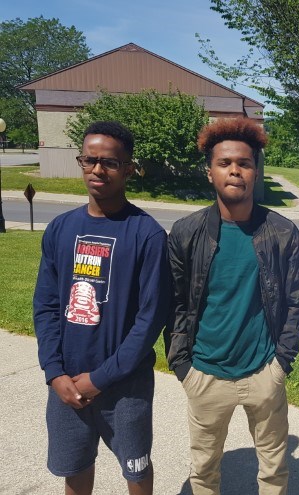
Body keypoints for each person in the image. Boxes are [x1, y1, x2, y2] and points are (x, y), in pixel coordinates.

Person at [166, 117, 299, 495]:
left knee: (274, 468)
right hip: (205, 372)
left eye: (244, 163)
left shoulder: (282, 232)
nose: (234, 171)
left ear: (256, 172)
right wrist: (184, 366)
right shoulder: (186, 232)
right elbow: (175, 303)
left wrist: (281, 363)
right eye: (224, 163)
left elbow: (296, 302)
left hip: (264, 372)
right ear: (209, 171)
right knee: (204, 469)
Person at [33, 121, 170, 495]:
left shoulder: (147, 235)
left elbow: (150, 318)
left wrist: (101, 378)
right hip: (67, 381)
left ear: (128, 169)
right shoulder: (60, 229)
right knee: (74, 466)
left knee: (136, 469)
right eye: (89, 160)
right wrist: (54, 372)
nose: (97, 169)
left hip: (125, 385)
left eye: (109, 162)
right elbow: (46, 304)